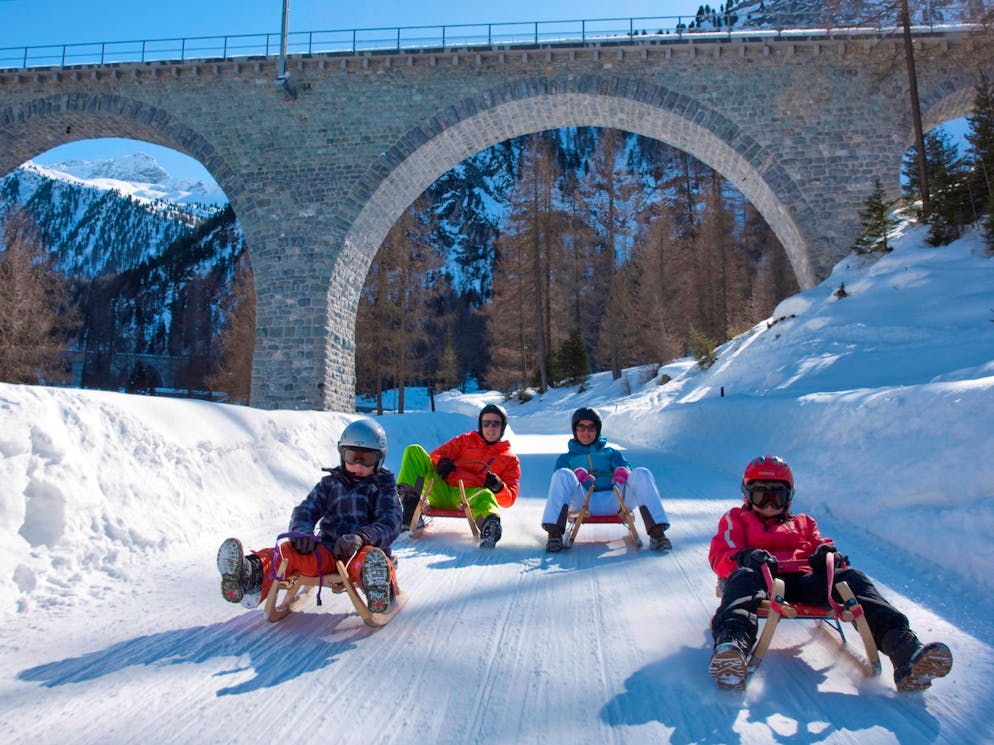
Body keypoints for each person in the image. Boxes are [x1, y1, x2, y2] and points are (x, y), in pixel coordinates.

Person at [708, 455, 953, 691]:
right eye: (762, 496)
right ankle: (732, 645)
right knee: (740, 579)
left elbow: (821, 545)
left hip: (804, 580)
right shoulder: (736, 519)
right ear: (749, 496)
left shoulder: (804, 522)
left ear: (789, 498)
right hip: (760, 577)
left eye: (777, 496)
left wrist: (828, 556)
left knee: (853, 578)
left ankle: (905, 650)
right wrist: (744, 557)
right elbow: (721, 555)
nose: (770, 504)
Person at [216, 418, 402, 614]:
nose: (358, 464)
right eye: (352, 456)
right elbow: (306, 510)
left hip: (361, 551)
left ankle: (379, 589)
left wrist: (362, 537)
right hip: (326, 551)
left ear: (379, 459)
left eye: (366, 459)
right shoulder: (329, 484)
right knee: (287, 553)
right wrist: (302, 532)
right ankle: (249, 575)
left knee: (370, 561)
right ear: (342, 455)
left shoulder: (383, 487)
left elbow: (390, 521)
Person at [541, 406, 672, 553]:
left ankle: (658, 533)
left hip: (615, 500)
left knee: (642, 473)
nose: (586, 432)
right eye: (581, 427)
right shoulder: (566, 458)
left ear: (598, 430)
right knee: (562, 474)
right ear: (574, 430)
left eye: (591, 428)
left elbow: (626, 469)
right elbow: (558, 485)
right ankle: (554, 535)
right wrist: (575, 478)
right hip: (583, 501)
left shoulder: (611, 453)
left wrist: (623, 472)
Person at [395, 403, 520, 549]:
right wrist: (441, 462)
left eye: (496, 424)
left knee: (486, 495)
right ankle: (410, 511)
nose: (490, 428)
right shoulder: (465, 440)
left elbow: (509, 499)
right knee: (414, 450)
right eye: (486, 423)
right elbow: (436, 454)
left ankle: (489, 527)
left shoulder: (509, 459)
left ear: (502, 427)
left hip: (468, 497)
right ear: (481, 425)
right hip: (441, 489)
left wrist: (499, 488)